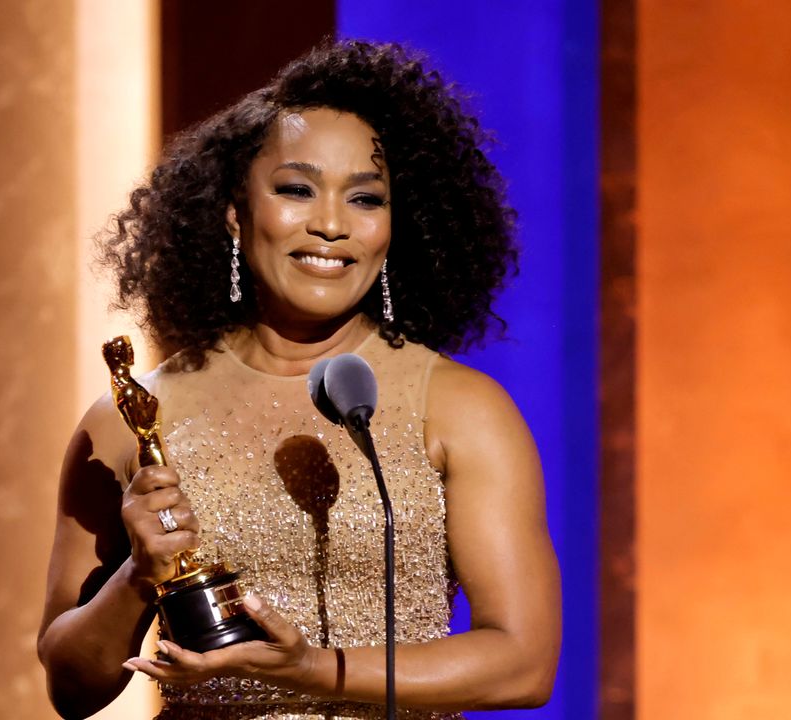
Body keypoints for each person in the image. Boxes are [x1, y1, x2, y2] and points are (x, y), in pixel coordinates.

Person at [37, 39, 561, 720]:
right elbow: (71, 688)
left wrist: (314, 670)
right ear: (233, 210)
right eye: (296, 190)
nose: (332, 225)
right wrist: (140, 573)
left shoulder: (460, 409)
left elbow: (524, 664)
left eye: (366, 199)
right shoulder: (131, 419)